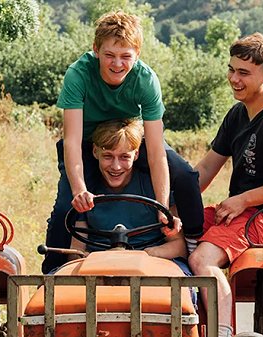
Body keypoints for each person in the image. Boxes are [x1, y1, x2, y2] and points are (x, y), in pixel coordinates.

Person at [42, 10, 203, 274]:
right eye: (110, 55)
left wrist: (163, 207)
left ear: (137, 55)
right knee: (64, 209)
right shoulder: (78, 75)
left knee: (184, 175)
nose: (117, 64)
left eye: (126, 56)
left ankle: (194, 245)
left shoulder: (146, 80)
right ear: (96, 50)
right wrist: (79, 190)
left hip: (129, 139)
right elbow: (71, 141)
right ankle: (51, 273)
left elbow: (155, 151)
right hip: (88, 143)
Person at [188, 33, 263, 337]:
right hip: (244, 210)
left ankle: (224, 332)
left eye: (243, 73)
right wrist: (173, 206)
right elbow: (206, 167)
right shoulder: (238, 113)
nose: (234, 79)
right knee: (173, 232)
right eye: (231, 70)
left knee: (201, 258)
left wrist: (242, 200)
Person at [68, 119, 188, 267]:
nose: (116, 166)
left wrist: (141, 255)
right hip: (99, 266)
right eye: (108, 156)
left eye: (124, 157)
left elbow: (178, 246)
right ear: (95, 152)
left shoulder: (155, 187)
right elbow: (77, 250)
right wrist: (94, 259)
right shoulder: (86, 191)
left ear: (136, 154)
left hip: (152, 265)